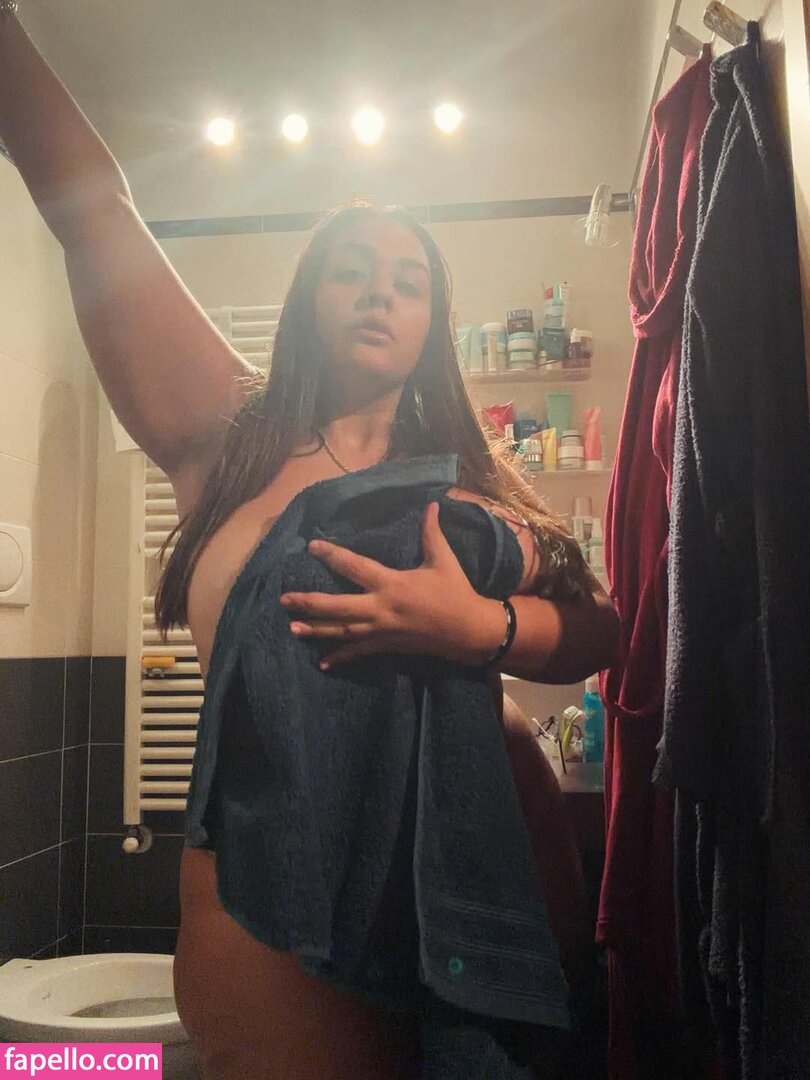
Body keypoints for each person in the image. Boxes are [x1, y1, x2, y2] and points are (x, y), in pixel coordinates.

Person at [0, 8, 618, 1077]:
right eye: (351, 270)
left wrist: (475, 625)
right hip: (267, 900)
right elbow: (91, 207)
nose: (380, 291)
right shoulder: (228, 438)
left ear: (432, 323)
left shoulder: (474, 487)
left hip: (469, 880)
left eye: (410, 280)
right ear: (306, 301)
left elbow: (598, 628)